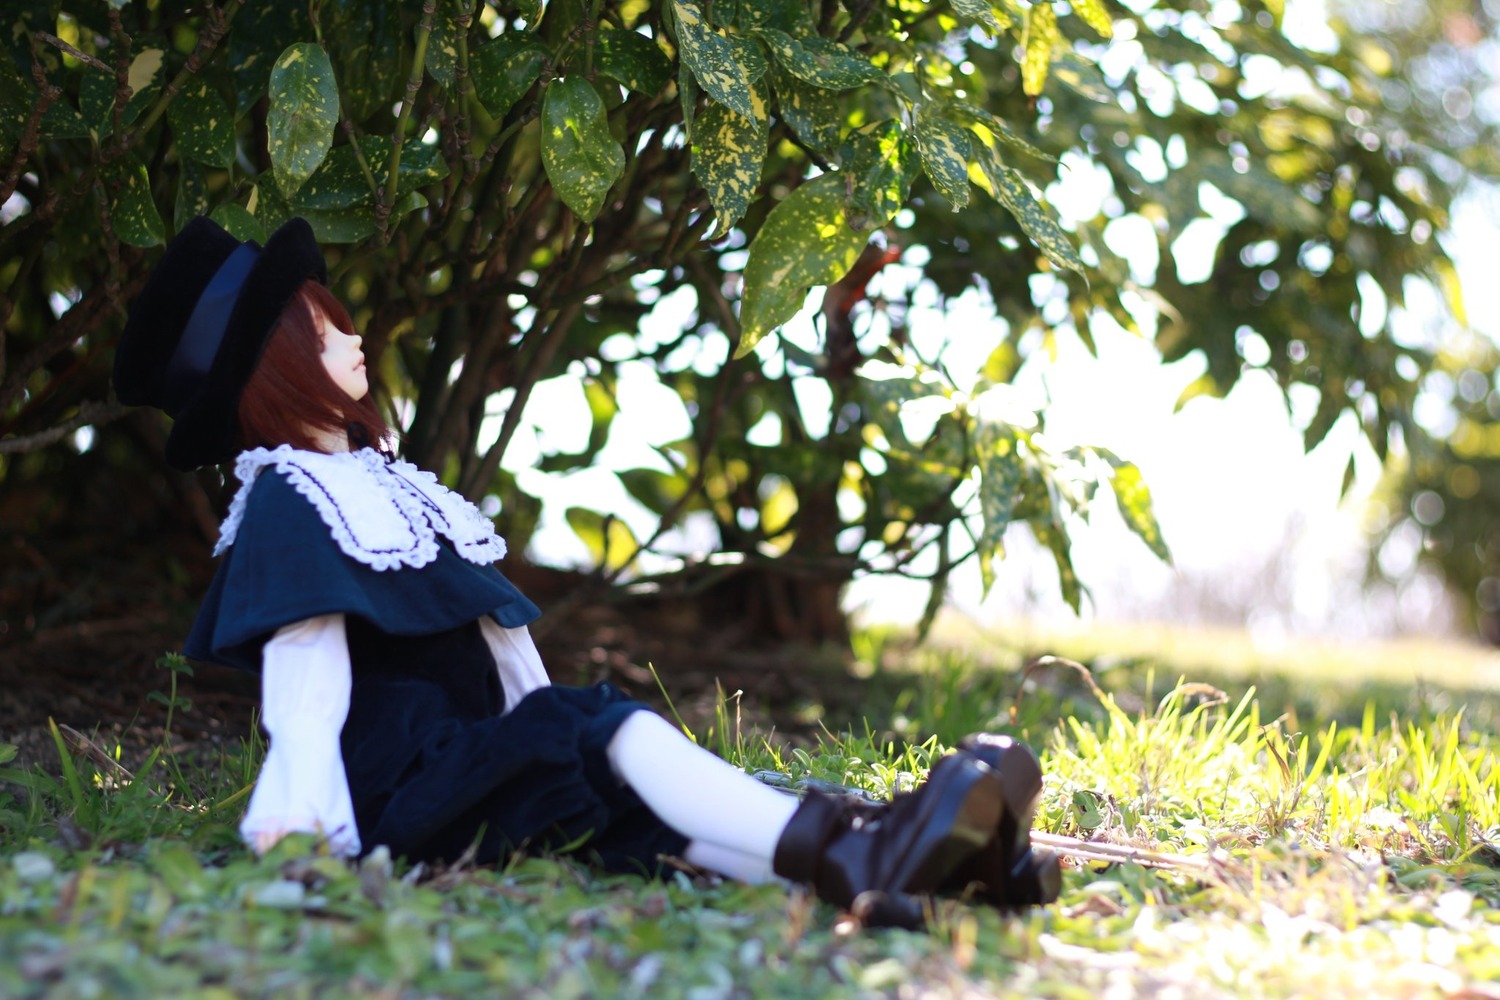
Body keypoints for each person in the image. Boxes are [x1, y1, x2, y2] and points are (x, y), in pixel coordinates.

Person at [113, 216, 1059, 928]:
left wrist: (534, 716)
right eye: (326, 335)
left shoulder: (381, 482)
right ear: (280, 368)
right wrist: (302, 817)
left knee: (627, 807)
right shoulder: (288, 495)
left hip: (460, 751)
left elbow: (493, 630)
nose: (355, 343)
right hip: (397, 779)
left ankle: (893, 866)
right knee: (606, 729)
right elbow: (307, 662)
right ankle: (861, 847)